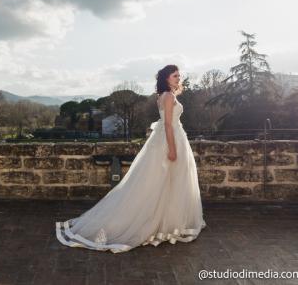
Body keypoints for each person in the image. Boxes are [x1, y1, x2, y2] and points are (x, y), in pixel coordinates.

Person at [55, 64, 207, 253]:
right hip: (171, 139)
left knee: (171, 181)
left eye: (178, 75)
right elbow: (168, 125)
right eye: (175, 75)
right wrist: (172, 149)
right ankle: (153, 222)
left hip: (172, 137)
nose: (178, 78)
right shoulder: (167, 97)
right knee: (162, 181)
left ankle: (168, 222)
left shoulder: (166, 95)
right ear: (166, 78)